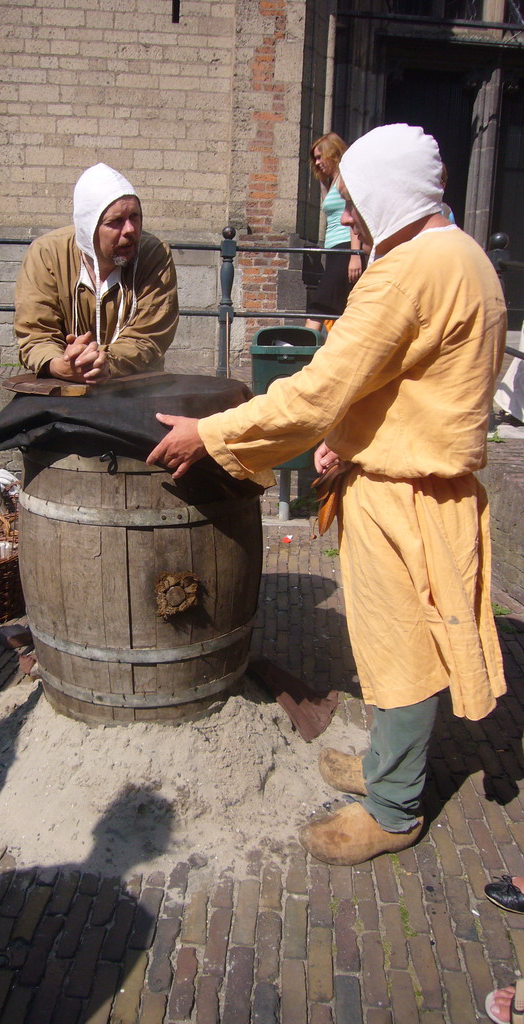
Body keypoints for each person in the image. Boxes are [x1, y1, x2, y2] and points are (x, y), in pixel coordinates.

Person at [146, 123, 507, 866]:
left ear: (385, 192)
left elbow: (314, 390)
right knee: (397, 639)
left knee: (402, 648)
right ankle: (388, 770)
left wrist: (212, 435)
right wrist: (348, 436)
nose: (350, 219)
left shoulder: (408, 271)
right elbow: (402, 381)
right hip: (425, 483)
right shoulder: (463, 256)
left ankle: (394, 808)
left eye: (353, 202)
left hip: (403, 495)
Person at [14, 162, 179, 385]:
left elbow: (149, 336)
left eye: (135, 217)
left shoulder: (154, 254)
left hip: (135, 384)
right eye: (116, 222)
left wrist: (105, 362)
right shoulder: (46, 254)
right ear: (88, 227)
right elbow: (36, 333)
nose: (130, 230)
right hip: (63, 384)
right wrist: (60, 363)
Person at [304, 132, 365, 332]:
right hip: (334, 249)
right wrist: (323, 179)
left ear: (333, 153)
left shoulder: (347, 178)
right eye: (315, 158)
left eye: (321, 156)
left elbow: (355, 212)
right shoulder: (333, 180)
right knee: (336, 304)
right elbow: (329, 208)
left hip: (345, 248)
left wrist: (355, 255)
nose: (318, 162)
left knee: (321, 302)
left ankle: (303, 348)